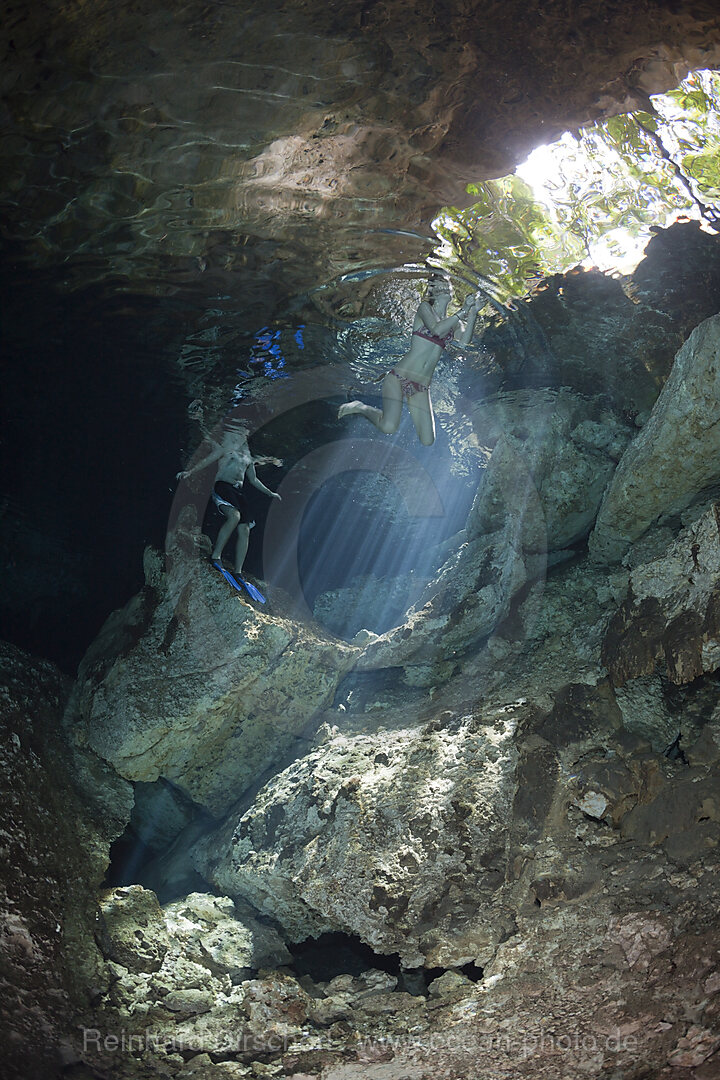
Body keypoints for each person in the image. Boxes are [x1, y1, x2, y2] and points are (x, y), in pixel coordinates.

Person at [337, 276, 482, 446]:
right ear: (432, 291)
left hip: (421, 387)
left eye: (447, 283)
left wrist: (473, 313)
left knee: (428, 440)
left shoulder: (455, 324)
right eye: (440, 283)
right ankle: (360, 407)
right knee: (388, 427)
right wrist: (463, 311)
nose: (445, 286)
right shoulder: (424, 308)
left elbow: (464, 342)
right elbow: (436, 330)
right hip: (399, 377)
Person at [177, 421, 281, 577]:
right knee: (234, 516)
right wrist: (189, 472)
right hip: (222, 486)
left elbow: (253, 480)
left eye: (244, 433)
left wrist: (270, 493)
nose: (241, 435)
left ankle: (238, 572)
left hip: (238, 492)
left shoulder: (248, 457)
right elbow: (207, 460)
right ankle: (216, 556)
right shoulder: (225, 448)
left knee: (245, 529)